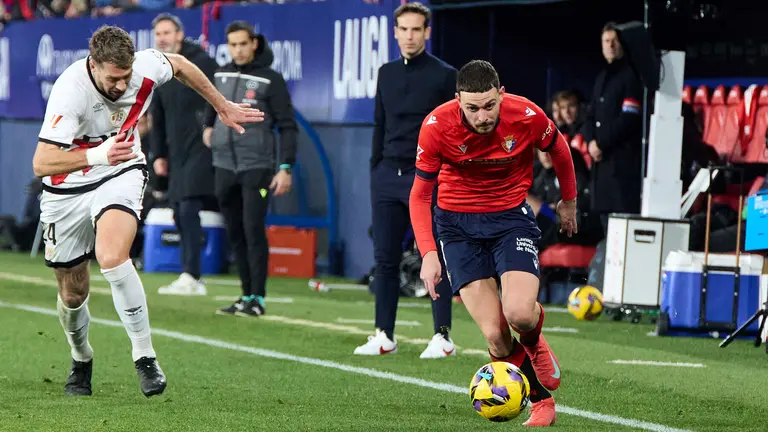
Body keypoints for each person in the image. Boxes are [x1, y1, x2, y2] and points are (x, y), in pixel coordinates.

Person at [31, 25, 263, 398]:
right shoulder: (69, 90)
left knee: (112, 256)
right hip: (68, 184)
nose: (122, 86)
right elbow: (42, 163)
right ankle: (81, 356)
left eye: (126, 77)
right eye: (113, 79)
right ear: (93, 65)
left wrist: (221, 105)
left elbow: (181, 64)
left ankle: (144, 356)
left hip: (120, 170)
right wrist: (97, 154)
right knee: (72, 293)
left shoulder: (144, 66)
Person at [409, 60, 578, 427]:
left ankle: (534, 342)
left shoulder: (526, 115)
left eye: (489, 105)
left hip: (510, 220)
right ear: (458, 101)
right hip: (457, 229)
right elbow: (420, 195)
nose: (483, 116)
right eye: (473, 108)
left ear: (501, 94)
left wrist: (569, 200)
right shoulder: (436, 126)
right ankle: (542, 401)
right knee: (496, 337)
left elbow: (560, 149)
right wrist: (428, 254)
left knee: (519, 313)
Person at [355, 1, 458, 359]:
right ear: (395, 32)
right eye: (404, 29)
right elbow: (380, 124)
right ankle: (384, 335)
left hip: (427, 177)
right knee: (385, 258)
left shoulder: (445, 75)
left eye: (416, 29)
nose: (410, 36)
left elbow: (453, 129)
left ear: (427, 32)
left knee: (434, 254)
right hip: (387, 175)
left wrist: (443, 174)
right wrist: (376, 169)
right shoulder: (386, 73)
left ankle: (442, 337)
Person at [202, 21, 297, 317]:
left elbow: (288, 126)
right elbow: (210, 109)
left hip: (257, 165)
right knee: (234, 232)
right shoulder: (219, 75)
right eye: (233, 45)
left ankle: (258, 298)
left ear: (254, 44)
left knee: (253, 229)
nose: (238, 50)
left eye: (243, 44)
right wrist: (207, 128)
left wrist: (285, 167)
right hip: (223, 165)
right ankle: (245, 295)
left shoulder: (271, 79)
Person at [150, 13, 220, 296]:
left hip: (201, 148)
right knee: (179, 211)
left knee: (189, 207)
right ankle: (190, 274)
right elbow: (157, 115)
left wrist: (211, 127)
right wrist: (159, 154)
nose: (162, 38)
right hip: (175, 152)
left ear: (179, 35)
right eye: (158, 34)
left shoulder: (201, 62)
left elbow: (219, 95)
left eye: (167, 32)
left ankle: (192, 275)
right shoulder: (159, 69)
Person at [581, 22, 644, 233]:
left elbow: (629, 117)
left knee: (620, 228)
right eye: (606, 41)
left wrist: (601, 144)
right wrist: (590, 141)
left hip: (621, 166)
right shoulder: (601, 78)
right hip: (601, 169)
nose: (610, 45)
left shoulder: (631, 76)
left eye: (615, 41)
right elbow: (589, 116)